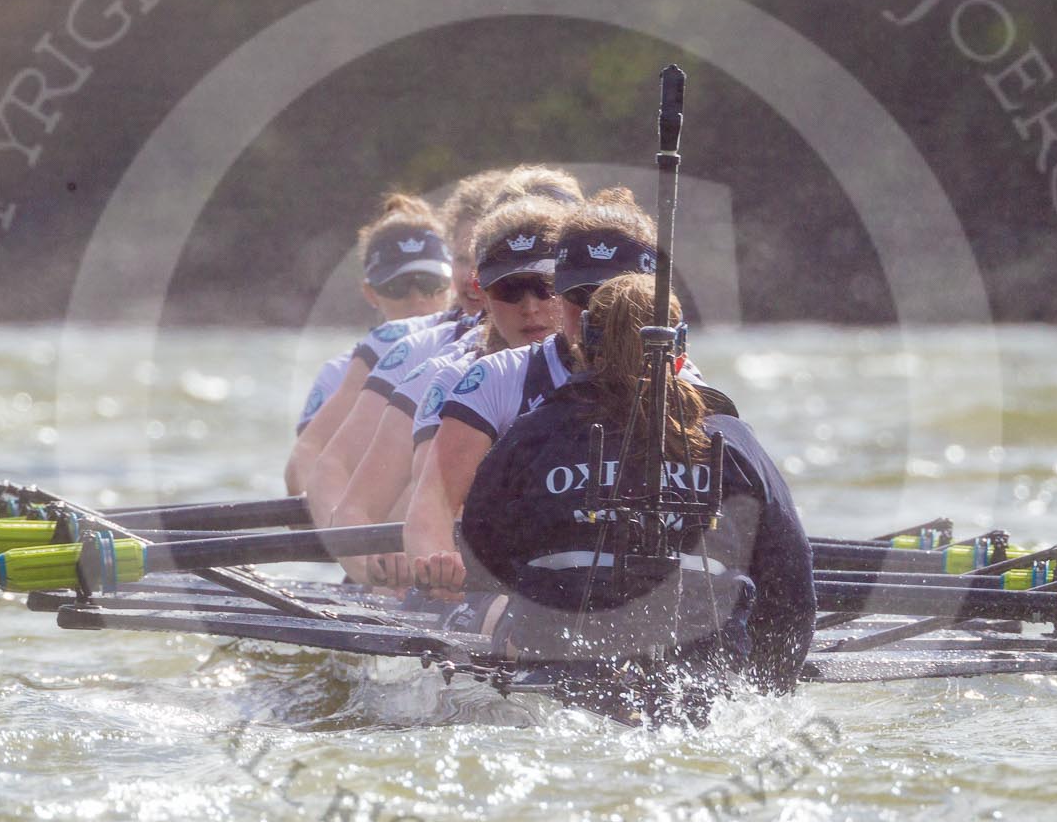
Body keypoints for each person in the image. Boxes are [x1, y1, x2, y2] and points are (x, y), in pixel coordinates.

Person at [457, 275, 814, 723]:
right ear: (681, 352)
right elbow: (791, 581)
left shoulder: (531, 434)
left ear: (584, 343)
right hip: (706, 691)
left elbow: (480, 551)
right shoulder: (734, 443)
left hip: (555, 684)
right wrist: (769, 692)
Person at [397, 188, 730, 591]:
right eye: (582, 298)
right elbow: (430, 507)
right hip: (525, 591)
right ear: (562, 297)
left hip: (653, 588)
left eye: (612, 298)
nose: (600, 316)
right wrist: (438, 564)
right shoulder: (496, 379)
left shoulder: (689, 386)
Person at [304, 168, 584, 536]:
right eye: (511, 283)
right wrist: (382, 561)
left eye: (544, 282)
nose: (530, 305)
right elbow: (331, 474)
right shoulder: (439, 365)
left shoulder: (640, 361)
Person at [285, 179, 495, 494]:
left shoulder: (486, 353)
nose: (417, 300)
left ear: (451, 281)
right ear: (371, 293)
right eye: (398, 287)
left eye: (428, 284)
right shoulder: (337, 376)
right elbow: (304, 467)